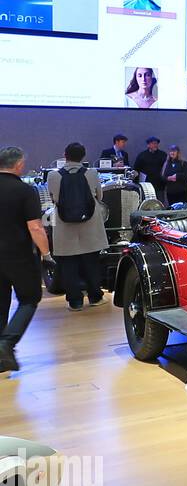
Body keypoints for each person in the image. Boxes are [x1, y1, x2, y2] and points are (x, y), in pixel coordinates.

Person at [0, 146, 52, 373]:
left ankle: (1, 357)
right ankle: (7, 343)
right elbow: (36, 227)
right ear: (19, 164)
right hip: (18, 255)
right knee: (30, 298)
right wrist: (47, 254)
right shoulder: (25, 191)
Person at [47, 143, 109, 312]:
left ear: (64, 155)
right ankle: (95, 297)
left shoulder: (53, 176)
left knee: (68, 265)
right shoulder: (92, 173)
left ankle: (75, 302)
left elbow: (53, 199)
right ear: (83, 156)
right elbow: (99, 195)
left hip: (64, 225)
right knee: (91, 262)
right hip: (90, 224)